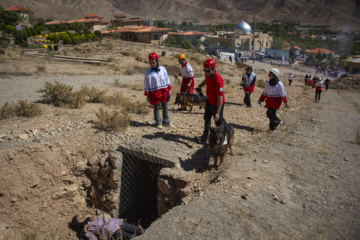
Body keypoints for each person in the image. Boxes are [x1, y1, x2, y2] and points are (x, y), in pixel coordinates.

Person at [195, 59, 227, 143]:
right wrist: (200, 86)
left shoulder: (218, 80)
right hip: (209, 101)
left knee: (218, 122)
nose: (206, 73)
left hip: (217, 104)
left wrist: (217, 113)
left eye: (208, 71)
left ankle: (223, 140)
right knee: (206, 119)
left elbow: (220, 98)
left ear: (213, 69)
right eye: (204, 71)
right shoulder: (208, 75)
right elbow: (206, 80)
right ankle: (204, 138)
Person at [144, 52, 173, 129]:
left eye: (153, 62)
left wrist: (169, 89)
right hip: (155, 92)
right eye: (151, 63)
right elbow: (146, 84)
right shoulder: (148, 73)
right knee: (156, 107)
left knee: (165, 107)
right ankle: (158, 122)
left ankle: (166, 121)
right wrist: (147, 95)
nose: (152, 64)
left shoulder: (163, 69)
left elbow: (167, 79)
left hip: (164, 90)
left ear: (157, 61)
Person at [71, 215, 144, 240]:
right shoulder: (85, 229)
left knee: (135, 229)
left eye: (80, 217)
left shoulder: (88, 219)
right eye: (79, 219)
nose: (81, 218)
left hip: (115, 222)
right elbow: (94, 239)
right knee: (131, 237)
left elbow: (100, 217)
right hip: (110, 230)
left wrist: (93, 218)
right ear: (77, 223)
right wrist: (85, 231)